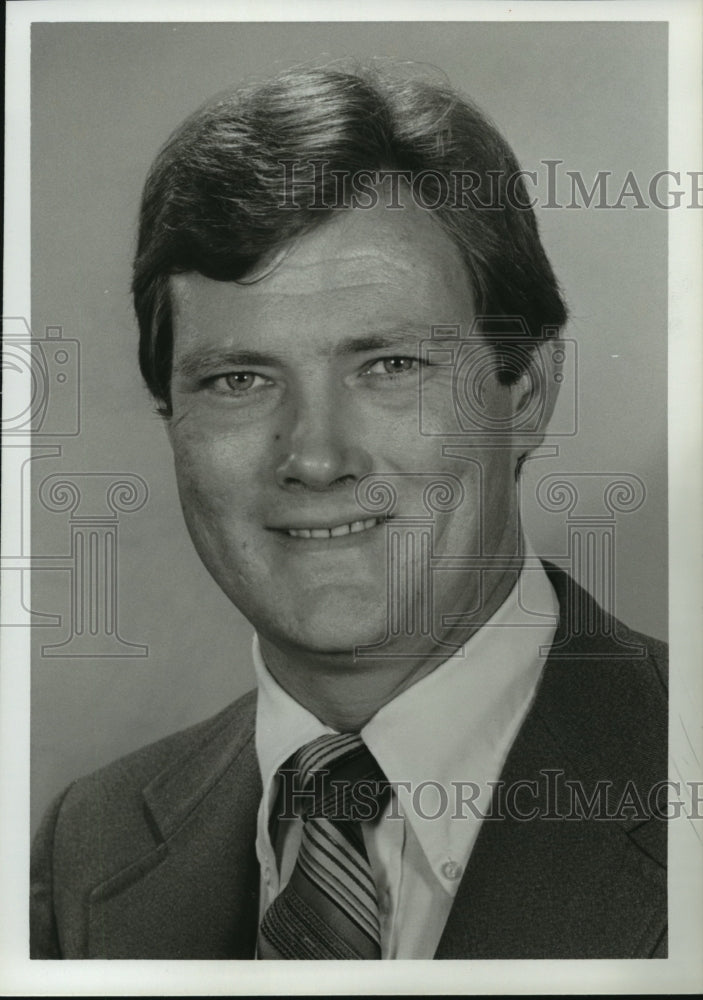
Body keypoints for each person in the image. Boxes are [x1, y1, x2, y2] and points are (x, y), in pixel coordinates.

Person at [30, 63, 667, 960]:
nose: (315, 459)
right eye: (237, 380)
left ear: (523, 391)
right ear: (171, 418)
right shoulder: (90, 845)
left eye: (391, 367)